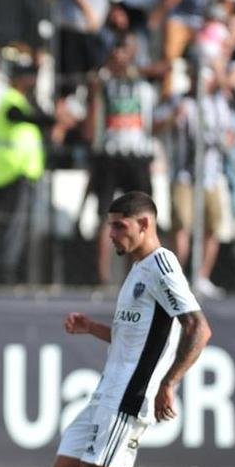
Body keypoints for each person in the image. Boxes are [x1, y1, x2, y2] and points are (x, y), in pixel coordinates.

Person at [52, 191, 212, 467]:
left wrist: (169, 382)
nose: (111, 233)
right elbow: (134, 337)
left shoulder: (161, 264)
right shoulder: (139, 269)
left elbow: (198, 328)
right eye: (110, 225)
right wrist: (91, 327)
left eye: (119, 225)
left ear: (145, 225)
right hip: (107, 390)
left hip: (129, 396)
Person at [0, 57, 72, 282]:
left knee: (16, 228)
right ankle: (6, 273)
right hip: (10, 173)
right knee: (12, 228)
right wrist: (53, 120)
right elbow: (20, 117)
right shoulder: (10, 100)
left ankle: (13, 271)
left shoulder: (24, 100)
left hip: (19, 174)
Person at [155, 66, 235, 298]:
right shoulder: (179, 101)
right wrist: (173, 117)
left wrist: (228, 140)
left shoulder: (219, 104)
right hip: (183, 174)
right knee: (181, 224)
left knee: (213, 224)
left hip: (211, 175)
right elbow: (156, 125)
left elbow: (232, 132)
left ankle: (201, 276)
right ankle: (175, 278)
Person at [87, 32, 159, 285]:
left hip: (137, 155)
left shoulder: (143, 85)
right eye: (118, 49)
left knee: (138, 219)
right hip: (110, 155)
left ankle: (137, 275)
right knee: (106, 217)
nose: (122, 55)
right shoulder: (103, 81)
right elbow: (92, 113)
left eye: (127, 50)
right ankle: (101, 278)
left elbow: (164, 70)